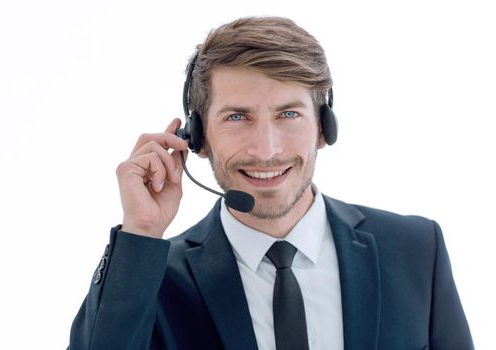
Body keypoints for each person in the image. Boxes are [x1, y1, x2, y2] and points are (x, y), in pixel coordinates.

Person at [68, 17, 474, 350]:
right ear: (198, 137)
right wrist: (141, 234)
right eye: (237, 117)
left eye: (289, 114)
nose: (266, 149)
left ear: (323, 128)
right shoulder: (153, 279)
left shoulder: (415, 250)